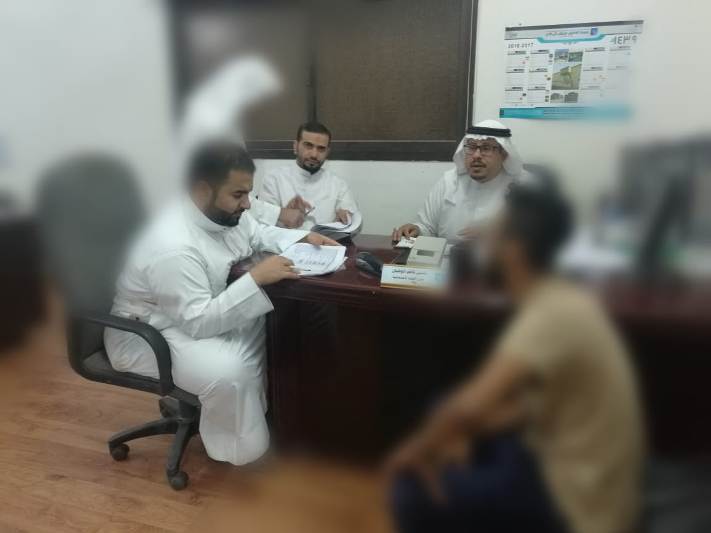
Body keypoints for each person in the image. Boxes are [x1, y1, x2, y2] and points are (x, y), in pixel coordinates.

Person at [386, 182, 645, 533]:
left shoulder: (550, 314)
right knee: (442, 411)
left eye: (491, 236)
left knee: (409, 489)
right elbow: (527, 405)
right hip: (570, 461)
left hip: (577, 503)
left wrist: (414, 452)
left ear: (514, 250)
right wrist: (461, 432)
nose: (483, 245)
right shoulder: (562, 297)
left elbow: (469, 407)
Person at [104, 141, 340, 466]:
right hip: (147, 332)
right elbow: (198, 322)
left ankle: (264, 420)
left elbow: (257, 233)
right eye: (239, 195)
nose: (247, 204)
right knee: (231, 370)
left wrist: (301, 237)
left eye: (248, 193)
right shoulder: (173, 245)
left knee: (272, 325)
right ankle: (239, 450)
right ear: (202, 190)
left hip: (187, 315)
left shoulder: (221, 213)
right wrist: (255, 279)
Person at [392, 119, 529, 242]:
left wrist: (500, 235)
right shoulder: (449, 181)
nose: (476, 155)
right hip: (448, 259)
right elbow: (428, 226)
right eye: (471, 147)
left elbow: (536, 241)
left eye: (486, 148)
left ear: (504, 154)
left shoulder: (526, 187)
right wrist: (417, 230)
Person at [258, 121, 361, 231]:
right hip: (285, 242)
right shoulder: (274, 180)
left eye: (321, 149)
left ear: (327, 152)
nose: (314, 155)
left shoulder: (339, 185)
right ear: (295, 146)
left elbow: (355, 223)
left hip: (326, 241)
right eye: (308, 146)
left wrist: (347, 219)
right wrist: (283, 216)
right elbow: (262, 226)